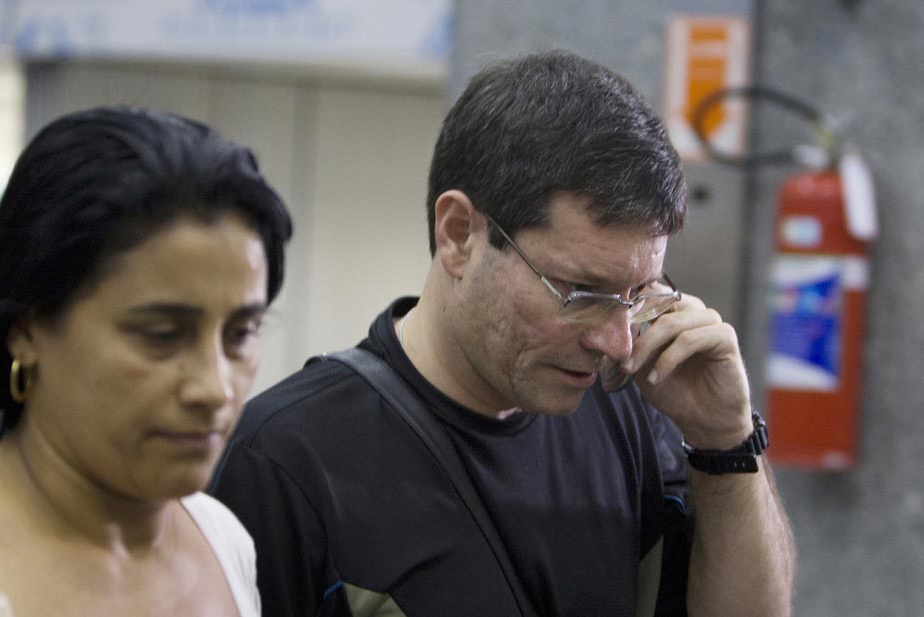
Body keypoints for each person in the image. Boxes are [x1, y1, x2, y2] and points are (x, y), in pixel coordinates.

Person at [210, 50, 796, 617]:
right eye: (581, 292)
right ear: (459, 234)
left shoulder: (637, 413)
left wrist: (725, 441)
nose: (617, 344)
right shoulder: (283, 462)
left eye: (638, 294)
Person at [0, 106, 292, 616]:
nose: (215, 388)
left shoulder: (222, 539)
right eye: (162, 336)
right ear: (26, 329)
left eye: (241, 334)